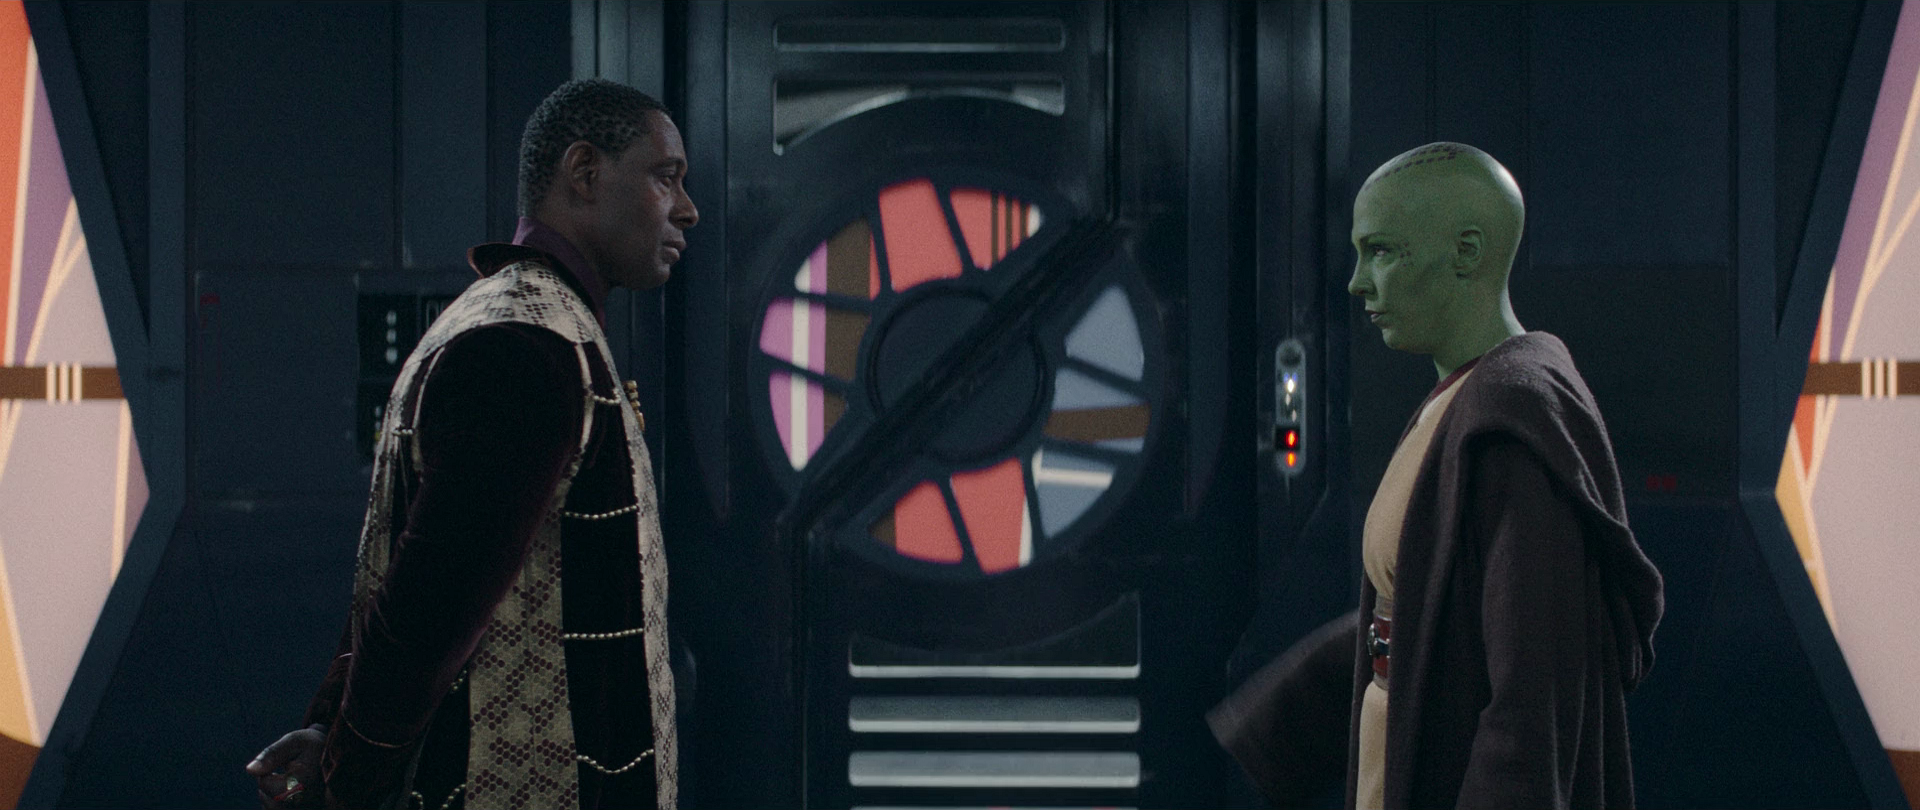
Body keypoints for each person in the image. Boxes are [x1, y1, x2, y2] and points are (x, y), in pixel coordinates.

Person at [244, 78, 698, 810]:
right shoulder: (526, 346)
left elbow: (412, 578)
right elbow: (425, 613)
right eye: (665, 177)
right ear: (585, 173)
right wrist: (345, 777)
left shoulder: (514, 320)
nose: (686, 208)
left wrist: (334, 731)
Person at [1208, 142, 1664, 809]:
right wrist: (1283, 718)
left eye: (1382, 252)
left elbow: (1528, 704)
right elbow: (1433, 599)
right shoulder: (1465, 399)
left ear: (1467, 252)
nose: (1358, 282)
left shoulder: (1511, 425)